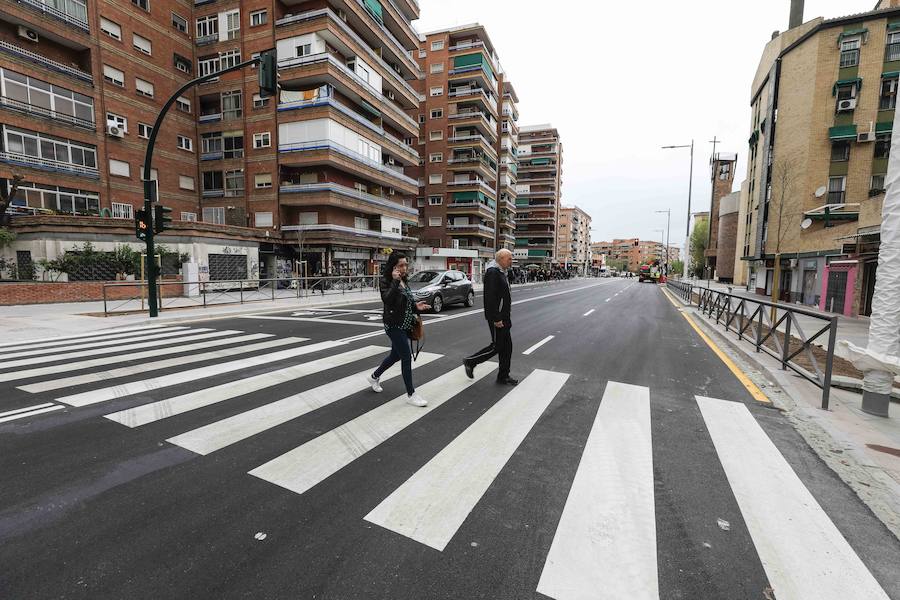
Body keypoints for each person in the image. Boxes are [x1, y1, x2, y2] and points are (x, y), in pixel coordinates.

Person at [368, 252, 431, 406]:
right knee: (406, 357)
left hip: (405, 324)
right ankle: (411, 394)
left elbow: (407, 301)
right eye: (400, 265)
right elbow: (387, 300)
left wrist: (416, 306)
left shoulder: (404, 280)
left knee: (395, 356)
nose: (404, 268)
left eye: (405, 265)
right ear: (393, 267)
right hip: (394, 325)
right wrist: (395, 282)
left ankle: (374, 376)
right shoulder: (386, 281)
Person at [463, 249, 518, 386]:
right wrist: (496, 318)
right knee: (497, 346)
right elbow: (491, 298)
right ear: (501, 259)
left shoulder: (501, 272)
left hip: (504, 316)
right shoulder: (493, 273)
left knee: (507, 347)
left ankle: (503, 376)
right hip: (497, 318)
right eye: (509, 259)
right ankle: (471, 361)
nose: (511, 261)